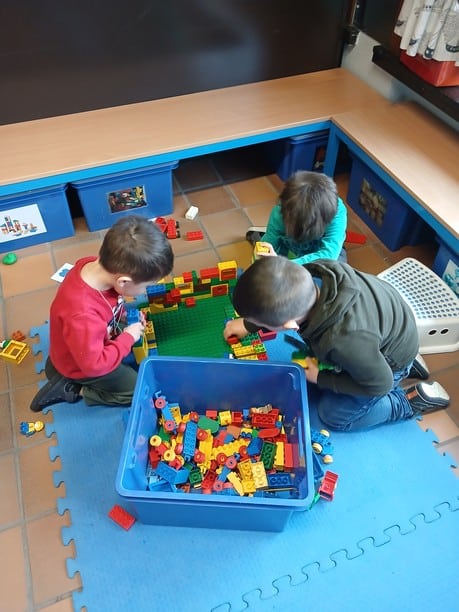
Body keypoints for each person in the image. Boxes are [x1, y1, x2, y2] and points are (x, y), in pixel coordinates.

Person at [223, 256, 450, 431]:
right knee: (335, 359)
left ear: (290, 324)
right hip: (390, 330)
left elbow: (380, 384)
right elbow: (273, 295)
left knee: (333, 416)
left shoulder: (344, 341)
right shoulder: (316, 272)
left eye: (258, 323)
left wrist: (320, 378)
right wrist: (248, 324)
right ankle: (402, 363)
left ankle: (407, 402)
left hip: (386, 365)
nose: (254, 324)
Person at [30, 215, 174, 412]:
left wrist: (123, 316)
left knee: (130, 332)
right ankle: (73, 389)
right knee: (141, 390)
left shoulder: (93, 266)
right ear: (123, 281)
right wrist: (127, 337)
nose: (145, 290)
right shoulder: (83, 314)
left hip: (81, 343)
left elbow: (110, 302)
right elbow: (95, 365)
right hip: (83, 366)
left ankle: (63, 369)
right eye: (146, 286)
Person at [246, 170, 347, 264]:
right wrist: (263, 259)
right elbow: (268, 243)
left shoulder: (337, 214)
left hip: (321, 252)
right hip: (290, 247)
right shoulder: (280, 211)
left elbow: (329, 255)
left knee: (338, 270)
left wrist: (286, 265)